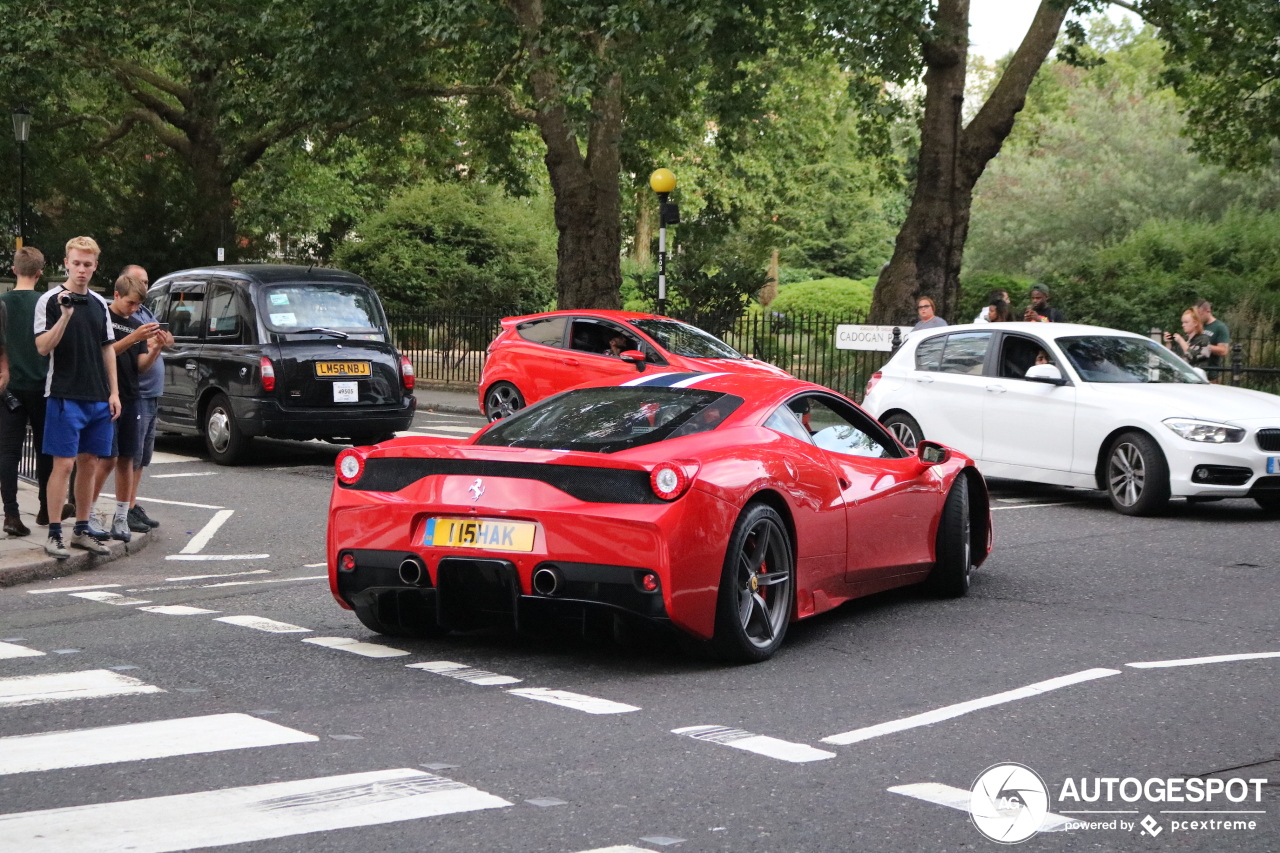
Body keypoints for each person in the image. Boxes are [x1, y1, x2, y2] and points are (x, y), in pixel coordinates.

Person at [33, 236, 120, 559]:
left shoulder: (99, 304)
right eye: (76, 263)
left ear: (95, 266)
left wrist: (114, 392)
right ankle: (55, 532)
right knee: (64, 464)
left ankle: (82, 528)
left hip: (97, 396)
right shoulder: (51, 301)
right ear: (66, 263)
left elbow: (107, 348)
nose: (82, 270)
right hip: (64, 394)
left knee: (90, 463)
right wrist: (66, 316)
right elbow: (42, 346)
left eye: (87, 264)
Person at [88, 274, 160, 541]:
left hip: (132, 395)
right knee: (107, 458)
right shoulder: (104, 319)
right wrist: (133, 337)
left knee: (128, 458)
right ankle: (89, 511)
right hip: (105, 395)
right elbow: (103, 354)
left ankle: (121, 516)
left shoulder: (136, 324)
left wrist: (155, 350)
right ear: (116, 296)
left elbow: (140, 366)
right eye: (130, 303)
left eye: (137, 305)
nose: (133, 309)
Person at [0, 247, 53, 535]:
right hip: (42, 386)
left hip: (8, 388)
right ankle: (46, 506)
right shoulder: (45, 303)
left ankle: (11, 514)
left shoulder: (2, 302)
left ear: (13, 269)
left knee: (8, 453)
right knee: (45, 450)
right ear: (40, 273)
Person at [120, 264, 168, 532]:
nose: (144, 288)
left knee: (143, 456)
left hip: (152, 392)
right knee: (132, 455)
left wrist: (162, 341)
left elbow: (163, 341)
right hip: (136, 393)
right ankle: (124, 508)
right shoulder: (124, 315)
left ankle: (132, 504)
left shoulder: (145, 310)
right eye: (139, 282)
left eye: (147, 283)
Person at [1194, 299, 1230, 373]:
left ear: (1208, 311)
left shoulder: (1219, 327)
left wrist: (1205, 346)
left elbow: (1224, 351)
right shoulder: (1198, 326)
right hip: (1197, 371)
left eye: (1200, 314)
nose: (1198, 317)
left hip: (1211, 372)